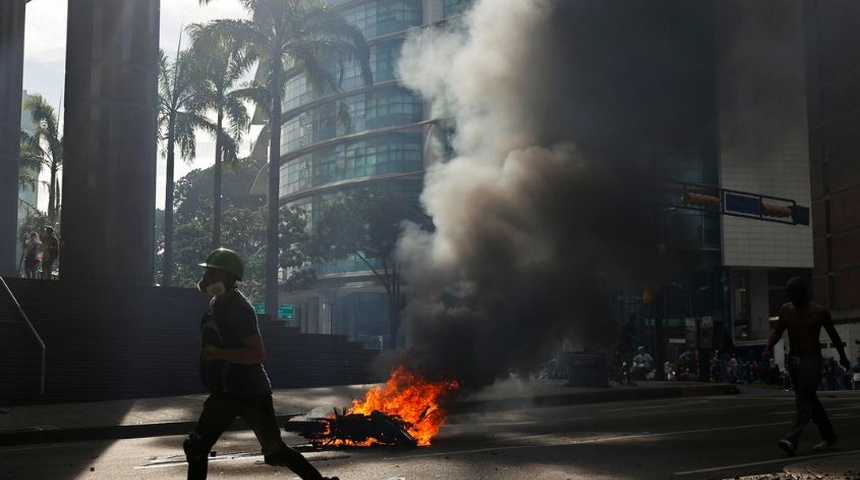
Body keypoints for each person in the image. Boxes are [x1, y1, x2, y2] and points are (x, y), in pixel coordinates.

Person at [184, 248, 339, 480]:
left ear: (227, 278)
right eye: (207, 273)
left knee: (275, 452)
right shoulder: (217, 304)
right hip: (225, 394)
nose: (206, 279)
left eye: (212, 273)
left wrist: (217, 353)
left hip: (252, 395)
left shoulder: (239, 311)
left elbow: (257, 354)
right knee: (196, 448)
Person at [763, 277, 850, 456]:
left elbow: (833, 335)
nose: (794, 299)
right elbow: (778, 330)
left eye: (796, 295)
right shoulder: (786, 311)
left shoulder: (819, 311)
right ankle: (830, 438)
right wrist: (767, 348)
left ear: (803, 293)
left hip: (811, 359)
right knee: (809, 400)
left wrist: (843, 357)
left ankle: (792, 439)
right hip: (794, 359)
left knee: (804, 399)